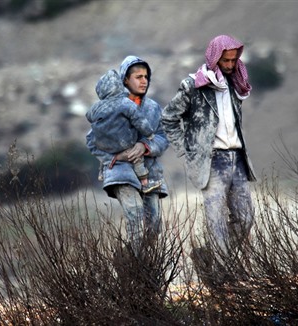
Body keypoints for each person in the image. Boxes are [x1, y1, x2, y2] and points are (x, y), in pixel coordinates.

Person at [162, 35, 256, 260]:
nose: (231, 65)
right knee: (216, 219)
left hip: (238, 157)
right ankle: (221, 272)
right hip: (212, 160)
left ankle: (212, 257)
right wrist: (186, 151)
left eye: (234, 60)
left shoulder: (237, 84)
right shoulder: (194, 85)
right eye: (226, 61)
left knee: (246, 218)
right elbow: (169, 118)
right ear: (215, 58)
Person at [86, 55, 169, 255]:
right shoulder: (110, 108)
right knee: (134, 213)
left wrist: (144, 146)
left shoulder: (153, 107)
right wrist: (113, 158)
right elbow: (91, 140)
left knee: (154, 225)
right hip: (121, 172)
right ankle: (134, 267)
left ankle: (139, 264)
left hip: (149, 172)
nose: (144, 81)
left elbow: (162, 137)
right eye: (138, 76)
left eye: (146, 76)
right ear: (125, 80)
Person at [85, 68, 162, 193]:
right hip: (124, 144)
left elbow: (89, 116)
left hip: (104, 145)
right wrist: (149, 134)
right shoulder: (125, 103)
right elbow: (139, 120)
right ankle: (145, 183)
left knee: (102, 153)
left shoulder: (96, 107)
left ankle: (102, 171)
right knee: (137, 159)